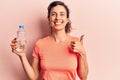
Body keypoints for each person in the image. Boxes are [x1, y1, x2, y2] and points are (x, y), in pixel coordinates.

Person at [11, 1, 89, 80]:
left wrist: (83, 53)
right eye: (53, 14)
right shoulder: (40, 44)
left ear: (67, 20)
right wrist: (22, 55)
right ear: (49, 19)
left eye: (62, 14)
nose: (58, 17)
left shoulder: (76, 43)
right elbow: (34, 76)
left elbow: (84, 77)